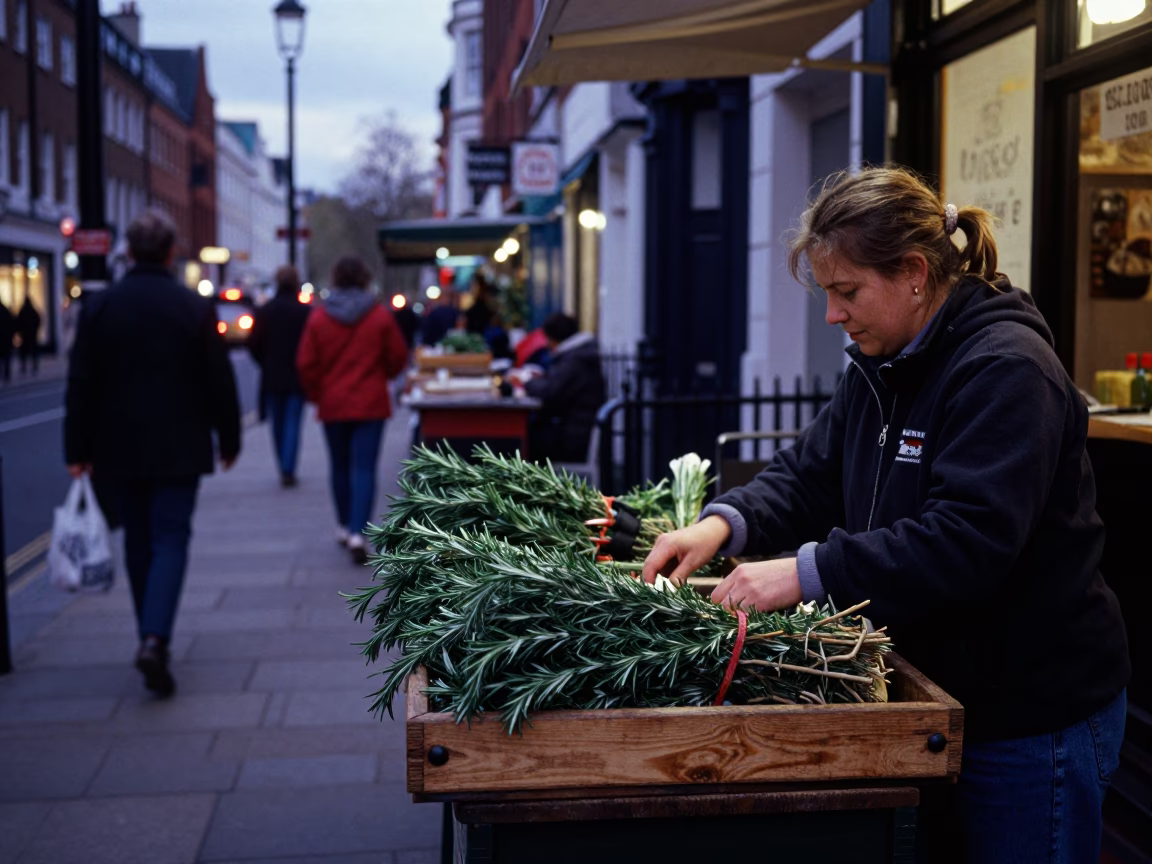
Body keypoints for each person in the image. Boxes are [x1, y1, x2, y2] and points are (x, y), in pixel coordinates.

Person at [641, 166, 1129, 863]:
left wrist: (804, 574)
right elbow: (810, 472)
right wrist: (720, 525)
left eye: (846, 292)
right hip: (932, 694)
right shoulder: (882, 361)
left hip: (1029, 714)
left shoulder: (1007, 367)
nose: (834, 315)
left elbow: (966, 542)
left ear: (914, 273)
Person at [64, 208, 241, 697]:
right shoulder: (191, 307)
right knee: (170, 538)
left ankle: (149, 634)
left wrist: (76, 448)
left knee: (138, 541)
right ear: (169, 252)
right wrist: (230, 438)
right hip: (178, 444)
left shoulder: (99, 308)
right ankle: (155, 637)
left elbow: (80, 384)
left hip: (115, 445)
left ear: (127, 252)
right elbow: (217, 380)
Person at [297, 255, 408, 564]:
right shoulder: (379, 316)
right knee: (364, 468)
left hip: (333, 402)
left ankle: (345, 526)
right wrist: (381, 375)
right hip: (370, 402)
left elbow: (306, 363)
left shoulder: (319, 318)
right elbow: (398, 357)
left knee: (340, 467)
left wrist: (317, 393)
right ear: (363, 278)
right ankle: (360, 531)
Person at [247, 265, 312, 487]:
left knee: (277, 423)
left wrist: (264, 362)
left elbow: (253, 343)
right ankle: (288, 467)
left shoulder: (265, 311)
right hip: (296, 375)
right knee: (293, 422)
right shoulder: (304, 312)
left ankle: (282, 465)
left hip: (272, 375)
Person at [523, 313, 605, 462]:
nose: (547, 344)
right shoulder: (579, 356)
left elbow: (549, 393)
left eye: (548, 339)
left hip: (571, 437)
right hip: (575, 431)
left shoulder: (575, 360)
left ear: (555, 338)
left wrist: (527, 382)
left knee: (525, 441)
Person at [16, 297, 41, 376]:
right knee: (32, 352)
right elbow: (38, 320)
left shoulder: (23, 311)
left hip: (26, 335)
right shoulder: (32, 311)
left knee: (24, 353)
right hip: (31, 335)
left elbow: (18, 322)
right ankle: (34, 367)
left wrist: (20, 331)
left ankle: (24, 368)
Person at [0, 301, 15, 383]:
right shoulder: (6, 311)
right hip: (6, 339)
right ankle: (6, 374)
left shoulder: (5, 311)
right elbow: (12, 324)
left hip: (4, 339)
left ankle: (4, 374)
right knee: (6, 358)